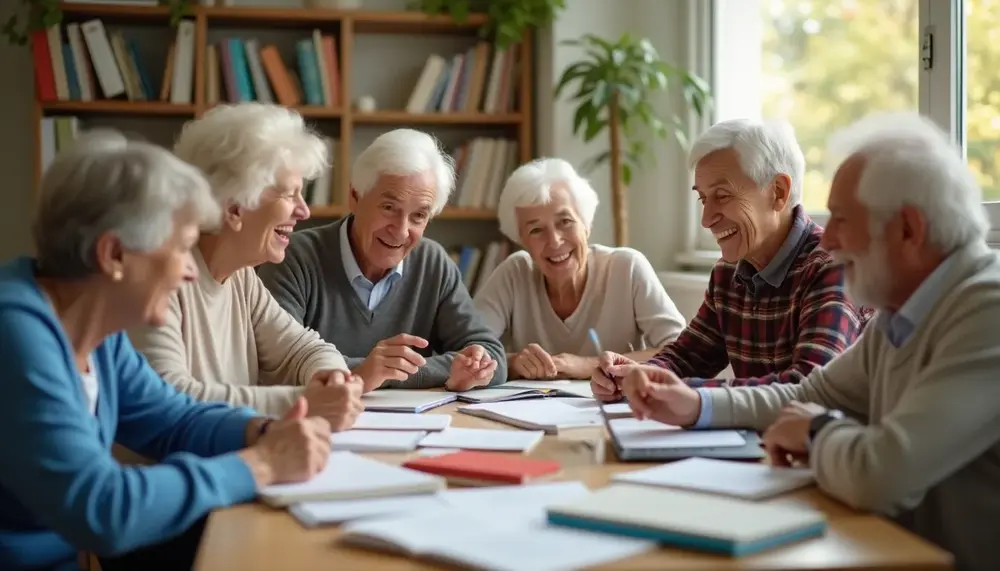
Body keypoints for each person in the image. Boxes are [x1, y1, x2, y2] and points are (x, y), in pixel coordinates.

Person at [620, 112, 1000, 571]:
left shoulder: (987, 311)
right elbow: (809, 393)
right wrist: (694, 407)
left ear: (908, 229)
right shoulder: (903, 313)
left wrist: (817, 430)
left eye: (841, 219)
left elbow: (880, 474)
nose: (830, 238)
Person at [0, 131, 334, 571]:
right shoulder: (15, 334)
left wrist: (262, 433)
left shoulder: (98, 334)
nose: (191, 271)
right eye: (180, 248)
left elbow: (172, 419)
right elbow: (103, 508)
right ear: (114, 255)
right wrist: (261, 465)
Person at [592, 118, 871, 401]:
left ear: (778, 192)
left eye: (722, 196)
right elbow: (685, 357)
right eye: (703, 199)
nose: (706, 220)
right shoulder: (728, 273)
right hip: (765, 441)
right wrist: (638, 376)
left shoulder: (833, 269)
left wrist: (682, 391)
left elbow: (808, 387)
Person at [128, 103, 362, 429]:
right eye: (289, 195)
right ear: (235, 207)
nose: (304, 211)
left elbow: (302, 348)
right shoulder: (161, 277)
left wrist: (332, 377)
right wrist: (306, 402)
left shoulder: (241, 277)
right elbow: (169, 397)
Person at [258, 128, 505, 393]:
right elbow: (279, 363)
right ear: (355, 197)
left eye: (418, 217)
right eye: (389, 208)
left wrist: (469, 370)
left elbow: (494, 359)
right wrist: (368, 372)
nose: (401, 231)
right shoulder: (294, 257)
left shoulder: (433, 263)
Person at [474, 158, 686, 380]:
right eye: (536, 230)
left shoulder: (627, 267)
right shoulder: (514, 273)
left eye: (565, 221)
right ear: (521, 239)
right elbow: (466, 350)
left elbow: (682, 351)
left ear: (586, 224)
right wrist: (514, 363)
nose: (554, 241)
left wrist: (590, 365)